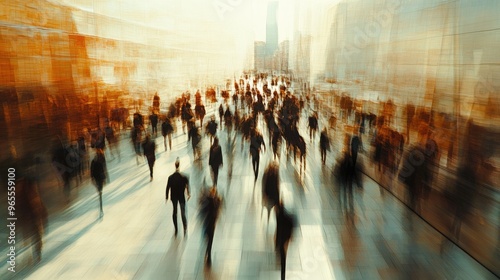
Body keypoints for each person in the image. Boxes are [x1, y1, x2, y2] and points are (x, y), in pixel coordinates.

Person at [166, 158, 191, 236]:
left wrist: (166, 196)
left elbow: (167, 187)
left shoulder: (170, 177)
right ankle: (185, 226)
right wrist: (188, 193)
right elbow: (187, 186)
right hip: (181, 196)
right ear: (179, 166)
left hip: (174, 197)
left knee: (175, 211)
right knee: (183, 211)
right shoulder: (184, 177)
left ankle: (176, 228)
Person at [198, 186, 222, 266]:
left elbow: (217, 209)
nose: (213, 193)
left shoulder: (214, 200)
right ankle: (208, 254)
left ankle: (208, 252)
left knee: (210, 239)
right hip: (209, 222)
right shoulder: (210, 201)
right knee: (209, 238)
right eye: (212, 192)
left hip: (211, 223)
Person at [275, 202, 296, 280]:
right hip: (284, 239)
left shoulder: (279, 216)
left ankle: (283, 276)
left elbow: (278, 230)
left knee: (283, 257)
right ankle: (283, 276)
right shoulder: (287, 217)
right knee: (283, 257)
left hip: (283, 239)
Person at [90, 149, 108, 218]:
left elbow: (92, 170)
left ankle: (101, 207)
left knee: (100, 190)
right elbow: (103, 169)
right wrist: (105, 178)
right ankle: (101, 208)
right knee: (100, 190)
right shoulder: (98, 161)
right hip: (99, 178)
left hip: (97, 178)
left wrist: (92, 178)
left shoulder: (94, 161)